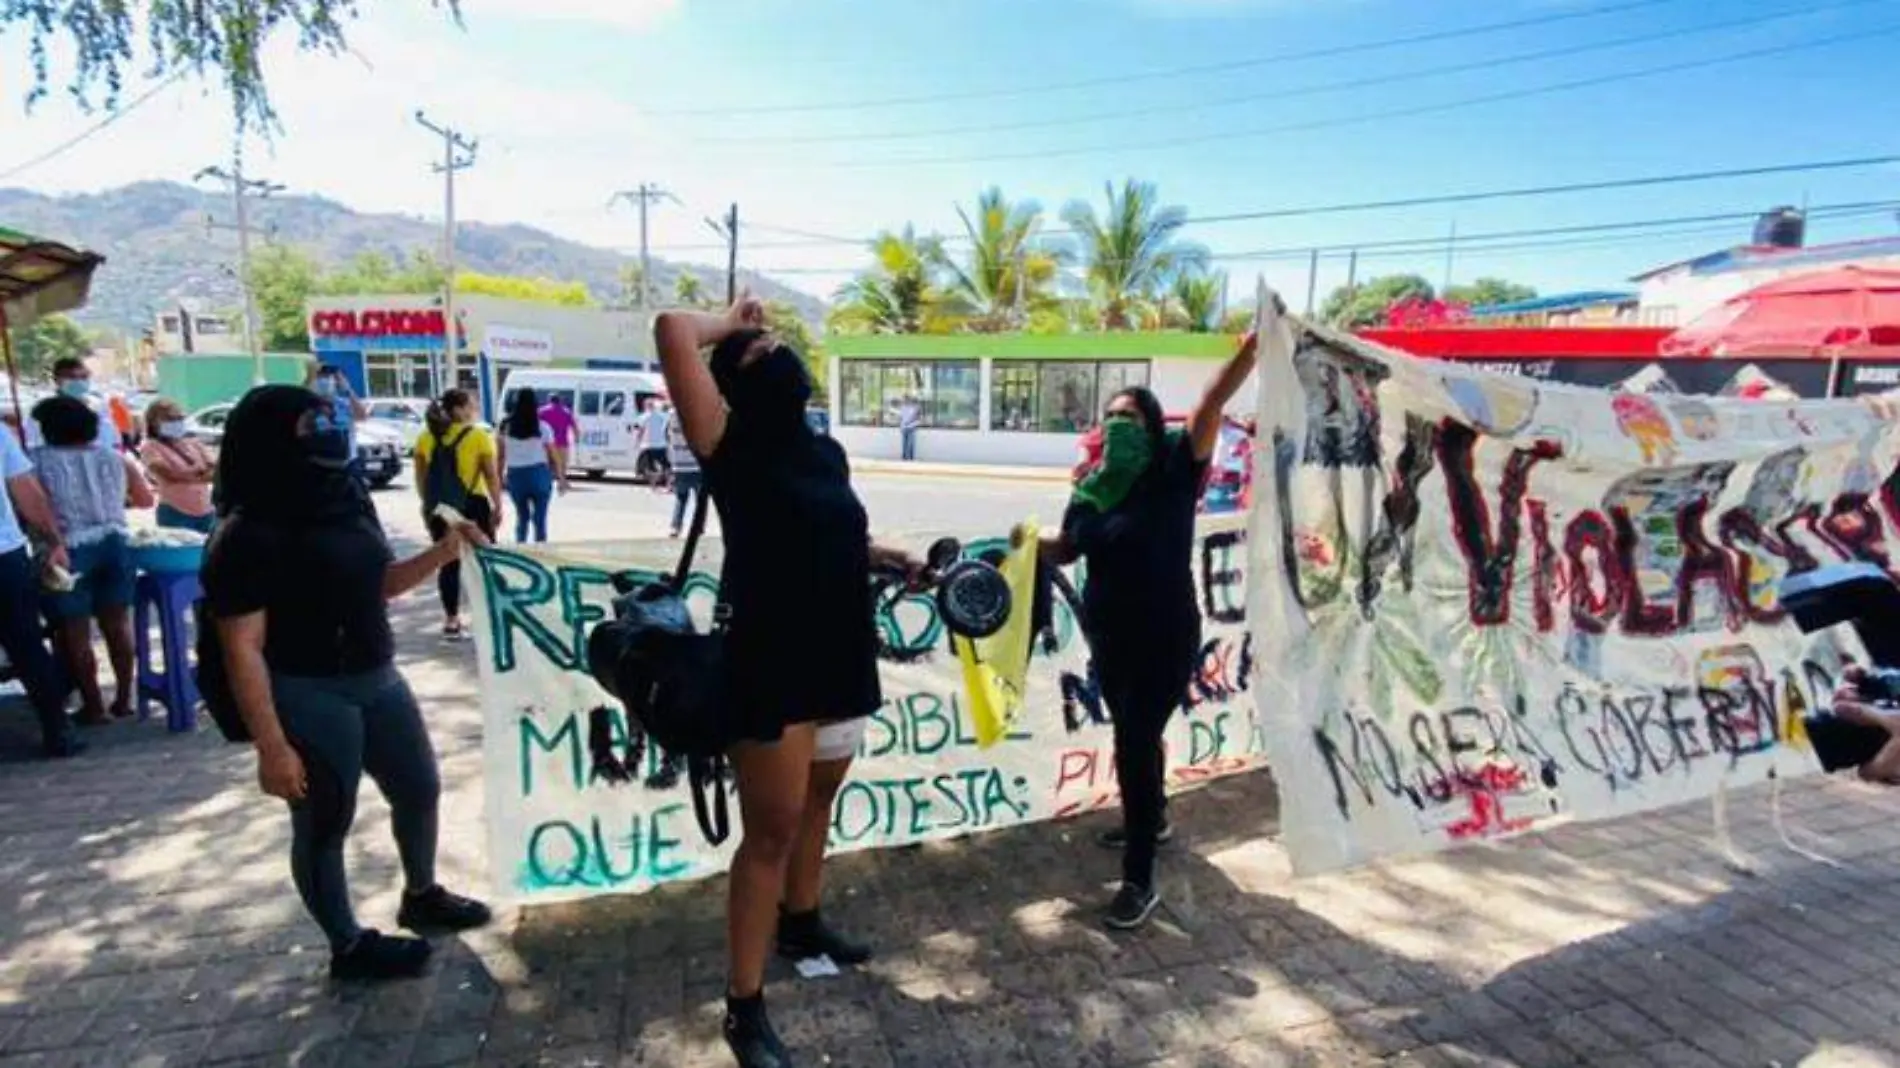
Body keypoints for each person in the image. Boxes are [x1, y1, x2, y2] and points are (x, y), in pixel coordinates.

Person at [656, 293, 917, 1068]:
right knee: (768, 831)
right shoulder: (725, 438)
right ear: (730, 379)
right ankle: (743, 1009)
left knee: (820, 799)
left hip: (840, 652)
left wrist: (887, 557)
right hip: (769, 661)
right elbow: (671, 331)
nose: (773, 350)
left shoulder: (824, 451)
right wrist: (731, 324)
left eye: (775, 344)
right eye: (756, 351)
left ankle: (801, 921)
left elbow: (841, 534)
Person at [202, 385, 493, 982]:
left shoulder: (346, 499)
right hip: (307, 691)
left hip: (378, 676)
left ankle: (422, 893)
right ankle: (348, 944)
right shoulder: (245, 533)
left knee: (419, 788)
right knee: (324, 820)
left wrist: (446, 552)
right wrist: (273, 746)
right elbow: (243, 648)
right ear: (272, 439)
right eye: (311, 422)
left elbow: (378, 586)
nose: (329, 429)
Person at [1037, 330, 1259, 931]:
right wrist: (1024, 550)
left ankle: (1139, 879)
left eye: (1131, 416)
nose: (1118, 426)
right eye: (1110, 417)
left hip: (1166, 635)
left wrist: (1251, 351)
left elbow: (1212, 404)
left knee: (1135, 742)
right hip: (1108, 636)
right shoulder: (1092, 489)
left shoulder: (1173, 470)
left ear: (1154, 423)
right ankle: (1154, 816)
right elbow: (1066, 547)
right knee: (1133, 738)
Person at [29, 395, 155, 725]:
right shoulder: (116, 458)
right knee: (117, 624)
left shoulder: (37, 462)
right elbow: (144, 499)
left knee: (76, 631)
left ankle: (94, 705)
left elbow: (32, 508)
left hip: (67, 548)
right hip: (116, 542)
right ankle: (124, 699)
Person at [0, 424, 85, 758]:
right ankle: (57, 729)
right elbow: (26, 492)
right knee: (27, 645)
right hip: (5, 557)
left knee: (27, 645)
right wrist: (52, 539)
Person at [412, 389, 502, 640]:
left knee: (448, 561)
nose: (475, 409)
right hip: (474, 504)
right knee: (485, 560)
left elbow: (420, 476)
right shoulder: (478, 436)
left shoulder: (425, 438)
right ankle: (490, 615)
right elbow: (491, 476)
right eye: (472, 405)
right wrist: (497, 506)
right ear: (459, 409)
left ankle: (452, 620)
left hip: (440, 508)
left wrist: (428, 505)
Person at [139, 398, 217, 533]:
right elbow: (168, 474)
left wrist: (188, 475)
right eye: (169, 418)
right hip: (175, 512)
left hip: (206, 511)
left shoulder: (193, 443)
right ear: (154, 422)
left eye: (179, 417)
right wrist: (200, 474)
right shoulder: (151, 447)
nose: (176, 422)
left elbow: (215, 471)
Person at [499, 387, 564, 544]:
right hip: (539, 473)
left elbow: (500, 456)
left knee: (522, 517)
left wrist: (499, 476)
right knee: (540, 518)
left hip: (516, 475)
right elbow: (553, 454)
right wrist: (561, 477)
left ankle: (521, 547)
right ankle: (540, 549)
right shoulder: (542, 427)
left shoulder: (505, 427)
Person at [30, 358, 121, 451]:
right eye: (71, 377)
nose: (78, 381)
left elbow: (114, 443)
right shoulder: (43, 410)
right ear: (56, 380)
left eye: (84, 377)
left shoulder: (99, 407)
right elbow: (34, 443)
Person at [308, 363, 368, 483]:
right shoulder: (309, 404)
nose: (325, 381)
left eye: (329, 377)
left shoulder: (345, 403)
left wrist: (347, 389)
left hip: (348, 463)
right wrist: (310, 380)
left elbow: (362, 415)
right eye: (321, 377)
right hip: (318, 462)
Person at [666, 404, 700, 539]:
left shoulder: (672, 419)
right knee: (700, 500)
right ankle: (698, 527)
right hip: (696, 466)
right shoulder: (695, 421)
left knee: (681, 498)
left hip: (679, 466)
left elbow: (668, 441)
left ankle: (676, 527)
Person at [538, 392, 576, 475]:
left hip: (546, 442)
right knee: (562, 464)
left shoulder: (542, 411)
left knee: (546, 462)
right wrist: (576, 437)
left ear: (549, 400)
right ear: (559, 401)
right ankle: (562, 481)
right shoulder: (566, 412)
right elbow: (574, 426)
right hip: (562, 442)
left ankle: (546, 480)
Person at [636, 398, 670, 484]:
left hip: (649, 445)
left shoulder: (643, 417)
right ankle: (669, 483)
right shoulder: (661, 416)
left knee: (650, 466)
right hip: (661, 444)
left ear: (645, 406)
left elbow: (641, 430)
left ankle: (653, 483)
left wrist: (637, 441)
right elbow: (666, 427)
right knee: (666, 465)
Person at [896, 395, 921, 463]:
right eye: (903, 400)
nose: (904, 401)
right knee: (904, 443)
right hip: (904, 427)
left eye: (905, 400)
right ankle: (904, 457)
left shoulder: (914, 408)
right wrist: (901, 426)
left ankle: (910, 457)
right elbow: (901, 418)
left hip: (912, 427)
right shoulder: (903, 408)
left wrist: (913, 423)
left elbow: (917, 418)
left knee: (910, 443)